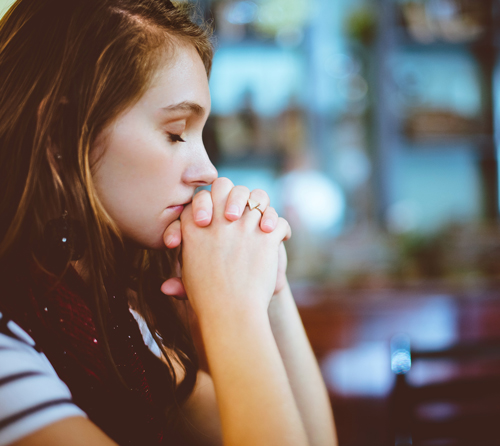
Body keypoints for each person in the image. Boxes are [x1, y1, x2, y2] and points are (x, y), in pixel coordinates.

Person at [0, 0, 337, 445]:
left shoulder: (113, 320)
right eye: (176, 132)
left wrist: (267, 286)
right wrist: (231, 309)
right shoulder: (11, 348)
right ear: (63, 132)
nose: (209, 171)